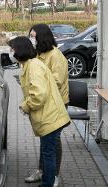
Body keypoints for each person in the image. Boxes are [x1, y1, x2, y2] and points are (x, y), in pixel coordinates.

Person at [8, 36, 70, 187]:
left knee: (49, 155)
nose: (10, 52)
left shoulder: (34, 66)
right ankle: (47, 181)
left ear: (20, 50)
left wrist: (26, 106)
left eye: (12, 49)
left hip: (50, 118)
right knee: (48, 152)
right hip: (49, 117)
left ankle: (47, 183)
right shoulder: (29, 65)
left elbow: (39, 95)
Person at [26, 24, 69, 186]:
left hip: (56, 105)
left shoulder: (55, 56)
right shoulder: (39, 55)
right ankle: (42, 171)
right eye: (30, 36)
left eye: (34, 36)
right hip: (45, 103)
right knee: (46, 141)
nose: (32, 39)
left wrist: (36, 85)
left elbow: (56, 82)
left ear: (42, 37)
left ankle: (53, 175)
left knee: (52, 141)